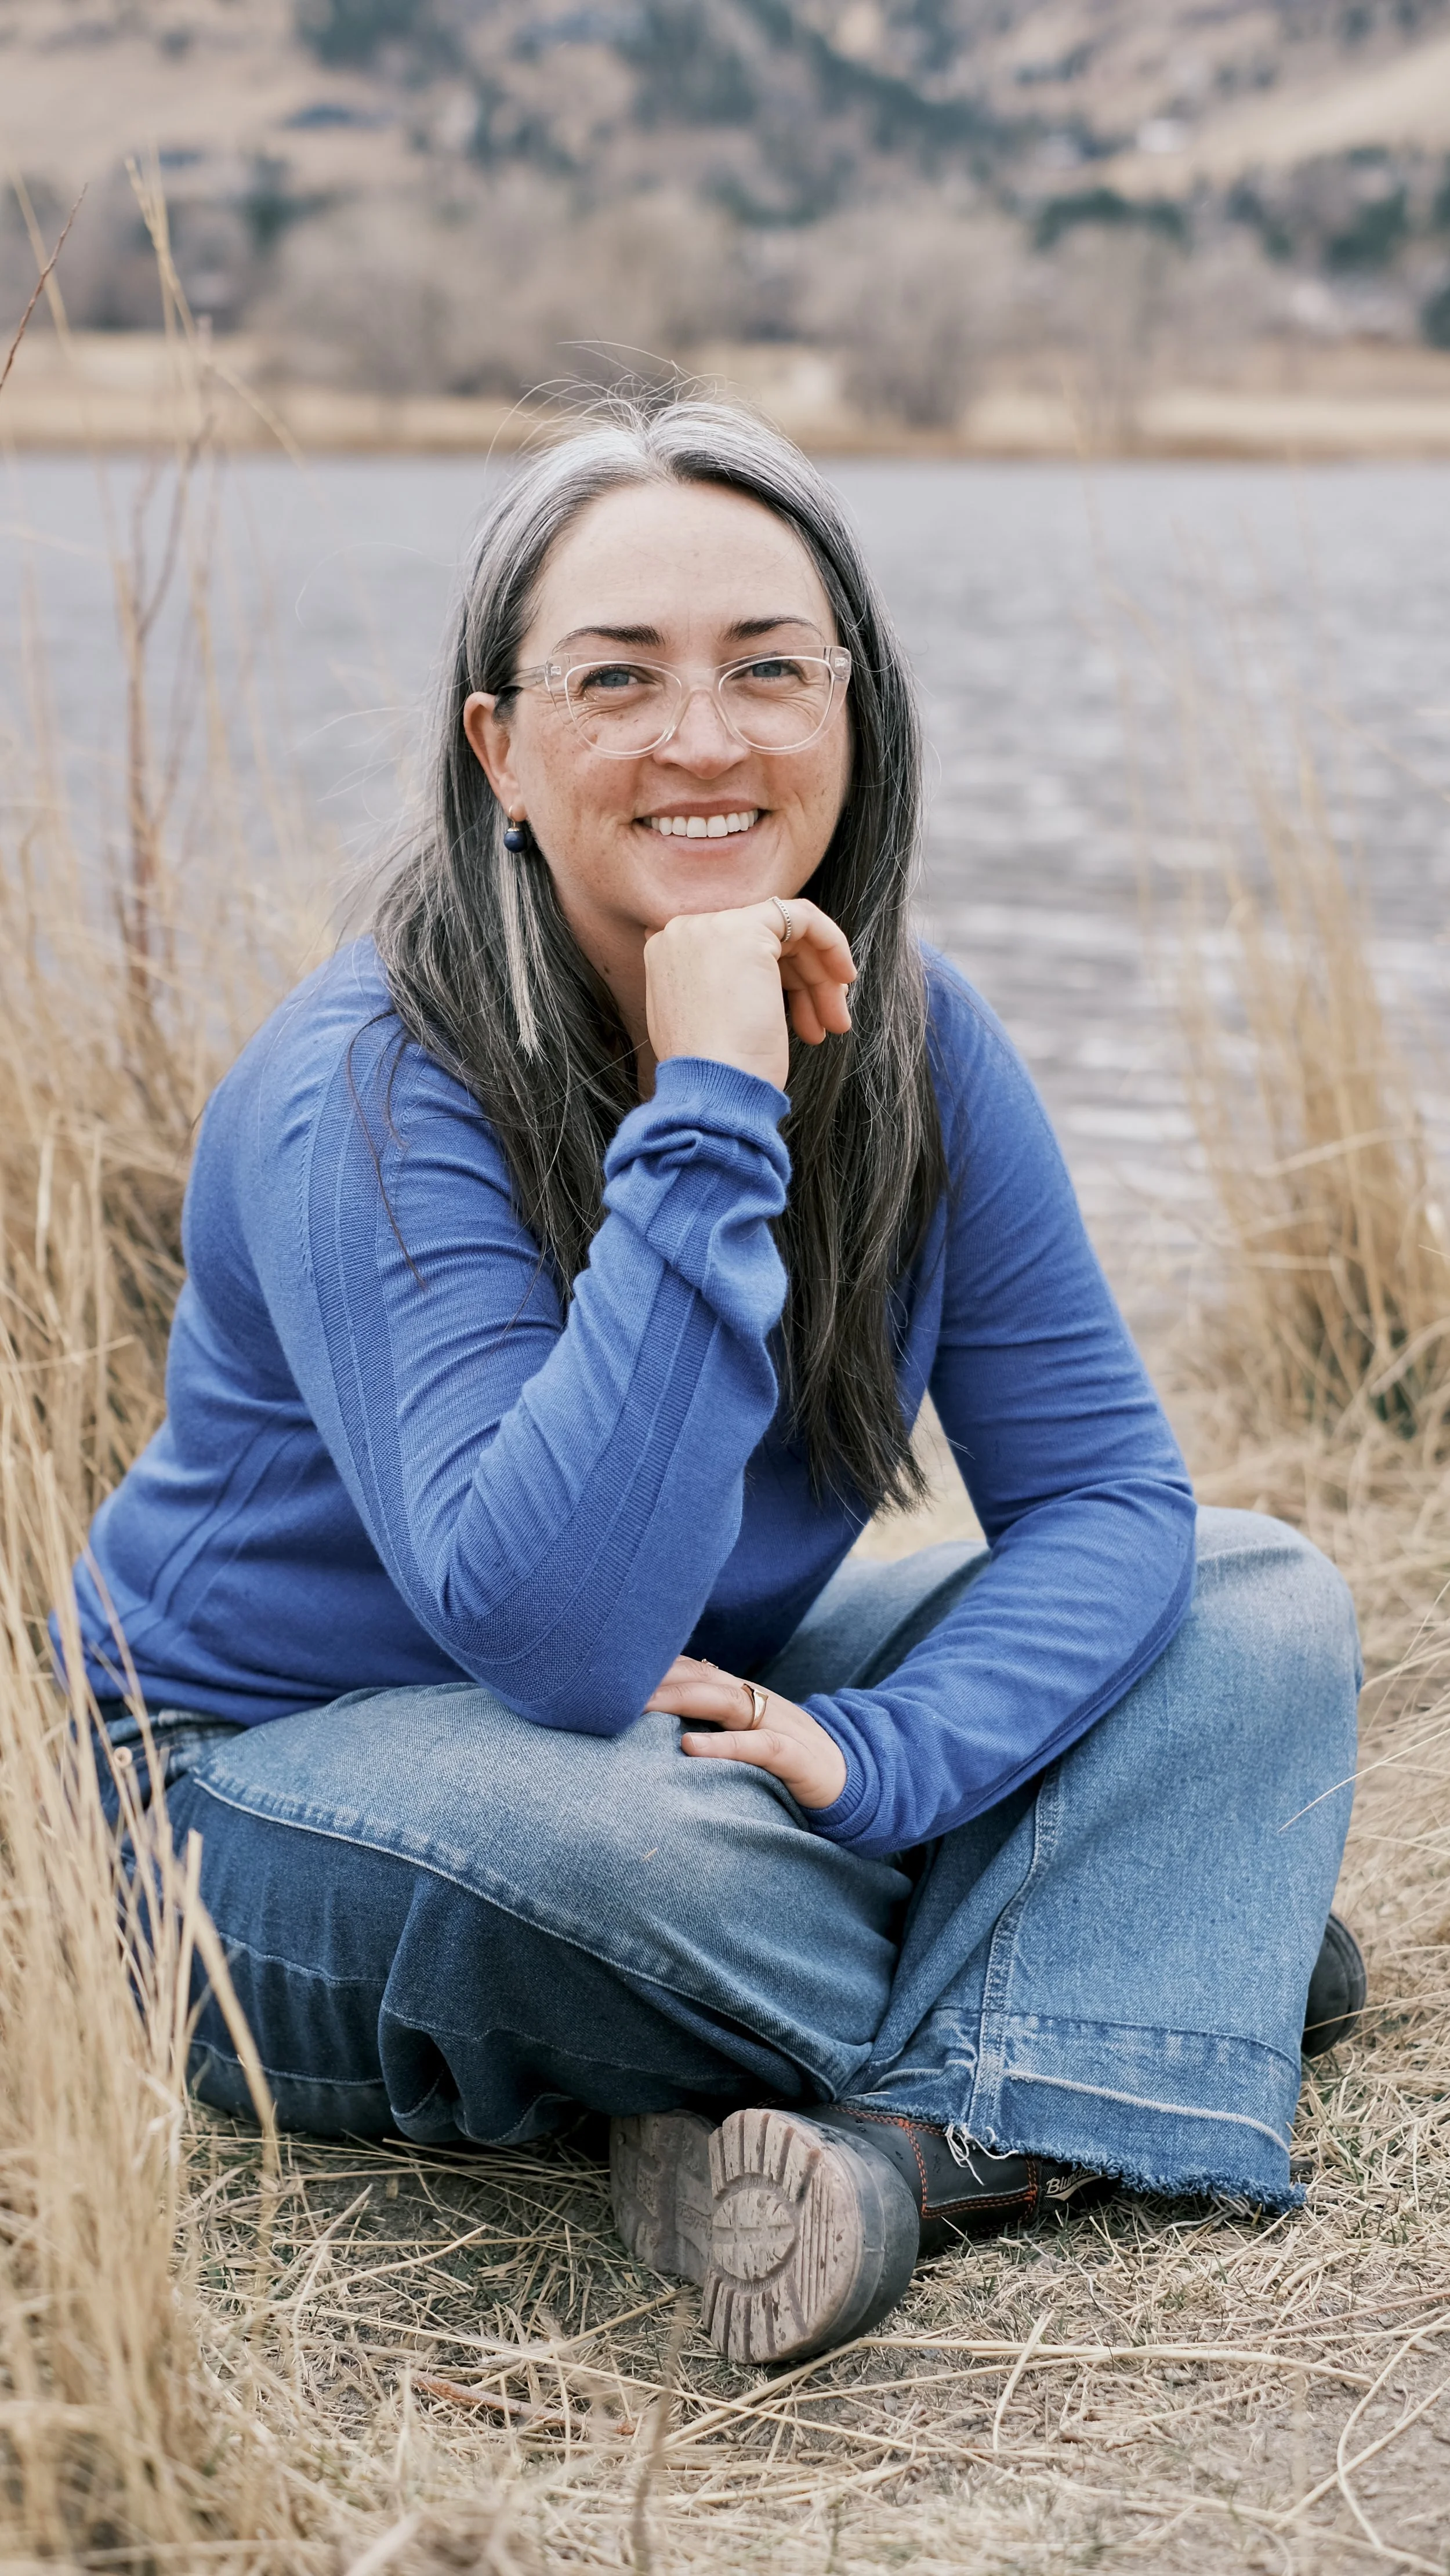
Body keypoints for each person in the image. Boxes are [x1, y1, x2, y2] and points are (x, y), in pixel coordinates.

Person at [70, 396, 1364, 2370]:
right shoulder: (363, 1087)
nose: (705, 739)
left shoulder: (920, 1041)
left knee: (1247, 1595)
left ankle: (916, 2131)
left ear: (858, 715)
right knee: (617, 1851)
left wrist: (897, 1760)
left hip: (693, 1705)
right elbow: (566, 1640)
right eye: (618, 681)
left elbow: (1108, 1505)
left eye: (771, 669)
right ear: (499, 751)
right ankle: (1150, 1974)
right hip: (245, 1792)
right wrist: (713, 1100)